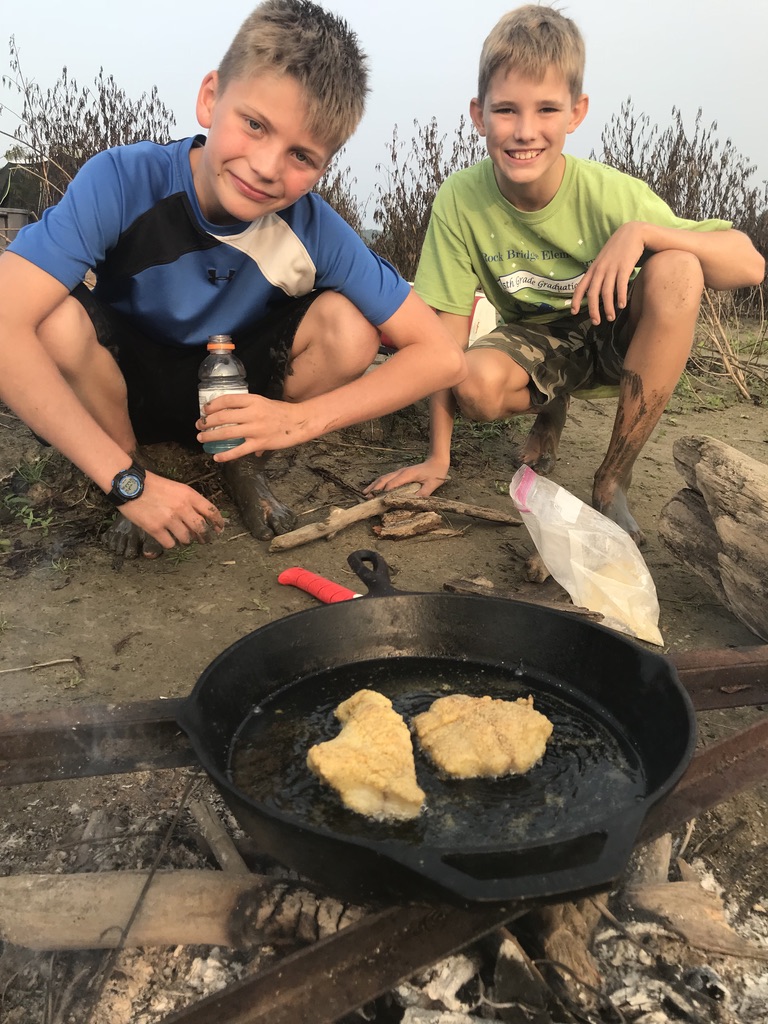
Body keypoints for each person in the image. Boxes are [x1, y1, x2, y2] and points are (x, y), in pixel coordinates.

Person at [0, 0, 466, 558]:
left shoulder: (315, 228)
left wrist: (297, 421)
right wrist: (127, 484)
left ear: (324, 167)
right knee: (51, 318)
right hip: (125, 385)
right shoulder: (123, 181)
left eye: (301, 155)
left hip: (234, 388)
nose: (268, 167)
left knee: (352, 328)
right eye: (254, 125)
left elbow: (442, 355)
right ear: (210, 98)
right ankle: (132, 468)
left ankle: (243, 461)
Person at [366, 4, 765, 545]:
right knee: (475, 386)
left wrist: (644, 233)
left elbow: (749, 263)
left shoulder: (608, 192)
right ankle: (551, 407)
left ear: (576, 112)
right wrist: (439, 456)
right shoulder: (460, 200)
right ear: (478, 114)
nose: (525, 131)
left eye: (547, 109)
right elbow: (445, 334)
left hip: (617, 332)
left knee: (679, 270)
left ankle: (612, 478)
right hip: (538, 339)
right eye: (506, 110)